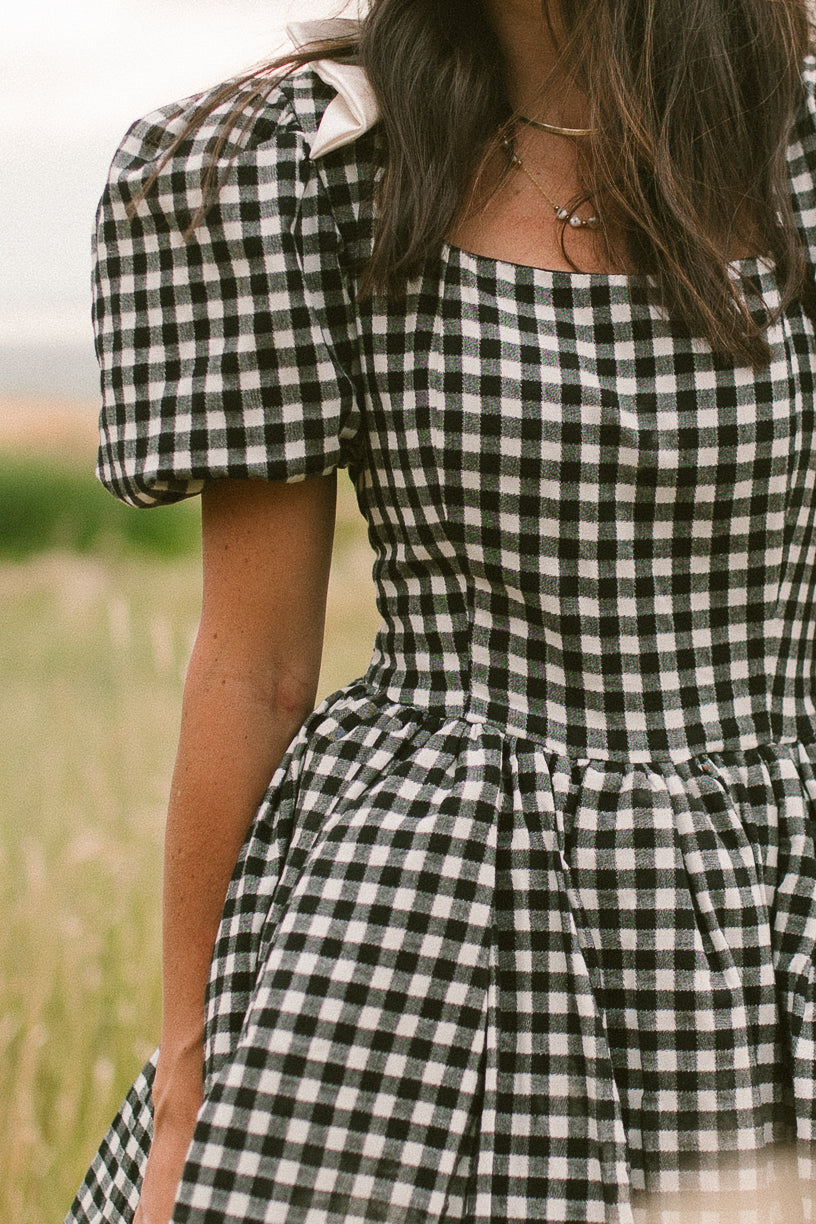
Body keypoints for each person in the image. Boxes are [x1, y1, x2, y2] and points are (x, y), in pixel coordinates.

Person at [65, 0, 816, 1221]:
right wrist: (186, 1094)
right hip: (433, 923)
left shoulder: (794, 141)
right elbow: (253, 668)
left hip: (781, 905)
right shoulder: (313, 167)